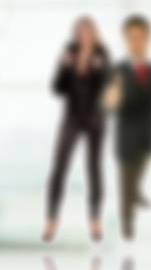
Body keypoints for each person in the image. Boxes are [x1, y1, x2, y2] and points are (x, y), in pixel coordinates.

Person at [44, 17, 112, 243]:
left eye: (87, 31)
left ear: (93, 33)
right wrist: (64, 66)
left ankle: (95, 220)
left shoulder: (102, 53)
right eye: (79, 32)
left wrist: (98, 70)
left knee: (94, 168)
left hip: (95, 118)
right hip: (72, 117)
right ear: (75, 34)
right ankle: (51, 219)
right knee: (59, 166)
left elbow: (107, 86)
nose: (83, 36)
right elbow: (57, 88)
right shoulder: (69, 52)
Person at [106, 15, 151, 241]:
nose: (136, 42)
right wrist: (111, 97)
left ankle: (136, 194)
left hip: (149, 131)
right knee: (126, 181)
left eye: (141, 38)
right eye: (131, 38)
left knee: (138, 172)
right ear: (125, 40)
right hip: (126, 132)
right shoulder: (117, 70)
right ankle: (127, 225)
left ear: (148, 39)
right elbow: (107, 103)